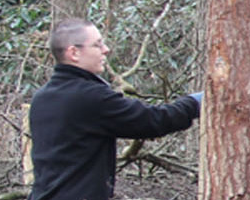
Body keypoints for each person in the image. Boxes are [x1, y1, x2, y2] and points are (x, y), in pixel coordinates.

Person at [30, 19, 203, 200]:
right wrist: (195, 103)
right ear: (74, 52)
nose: (106, 49)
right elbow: (153, 120)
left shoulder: (41, 98)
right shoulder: (89, 97)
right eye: (97, 45)